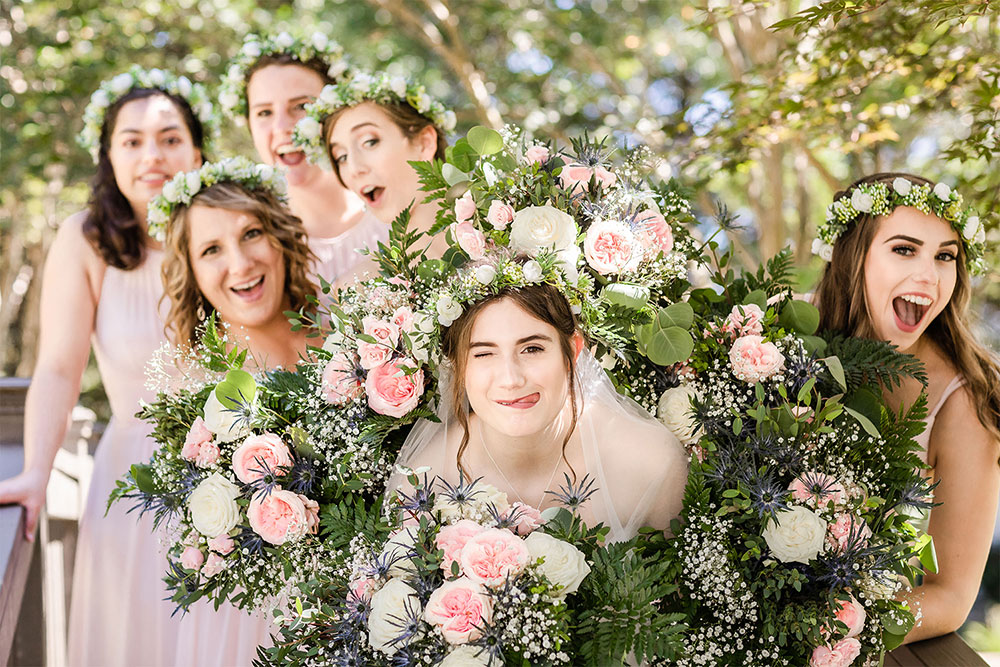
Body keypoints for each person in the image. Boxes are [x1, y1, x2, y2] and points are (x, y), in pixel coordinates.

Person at [0, 67, 211, 666]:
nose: (153, 155)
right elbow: (59, 369)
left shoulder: (234, 232)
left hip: (243, 469)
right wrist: (35, 473)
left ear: (198, 152)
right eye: (132, 141)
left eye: (170, 139)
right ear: (109, 157)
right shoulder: (86, 239)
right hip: (132, 476)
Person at [813, 172, 1000, 642]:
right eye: (904, 249)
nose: (929, 276)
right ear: (853, 256)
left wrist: (838, 633)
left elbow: (951, 597)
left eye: (945, 256)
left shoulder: (964, 401)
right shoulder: (774, 337)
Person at [152, 157, 317, 664]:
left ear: (280, 236)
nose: (241, 264)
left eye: (251, 234)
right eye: (212, 250)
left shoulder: (346, 329)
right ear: (191, 272)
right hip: (255, 624)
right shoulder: (193, 391)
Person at [392, 279, 688, 542]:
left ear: (572, 352)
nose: (511, 379)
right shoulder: (423, 485)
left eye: (532, 349)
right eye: (484, 353)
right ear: (458, 367)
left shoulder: (651, 465)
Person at [220, 31, 386, 285]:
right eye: (264, 112)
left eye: (301, 107)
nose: (281, 127)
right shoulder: (252, 245)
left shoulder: (392, 212)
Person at [293, 70, 454, 258]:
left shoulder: (486, 220)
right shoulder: (360, 277)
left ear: (424, 142)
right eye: (341, 157)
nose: (354, 169)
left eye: (369, 142)